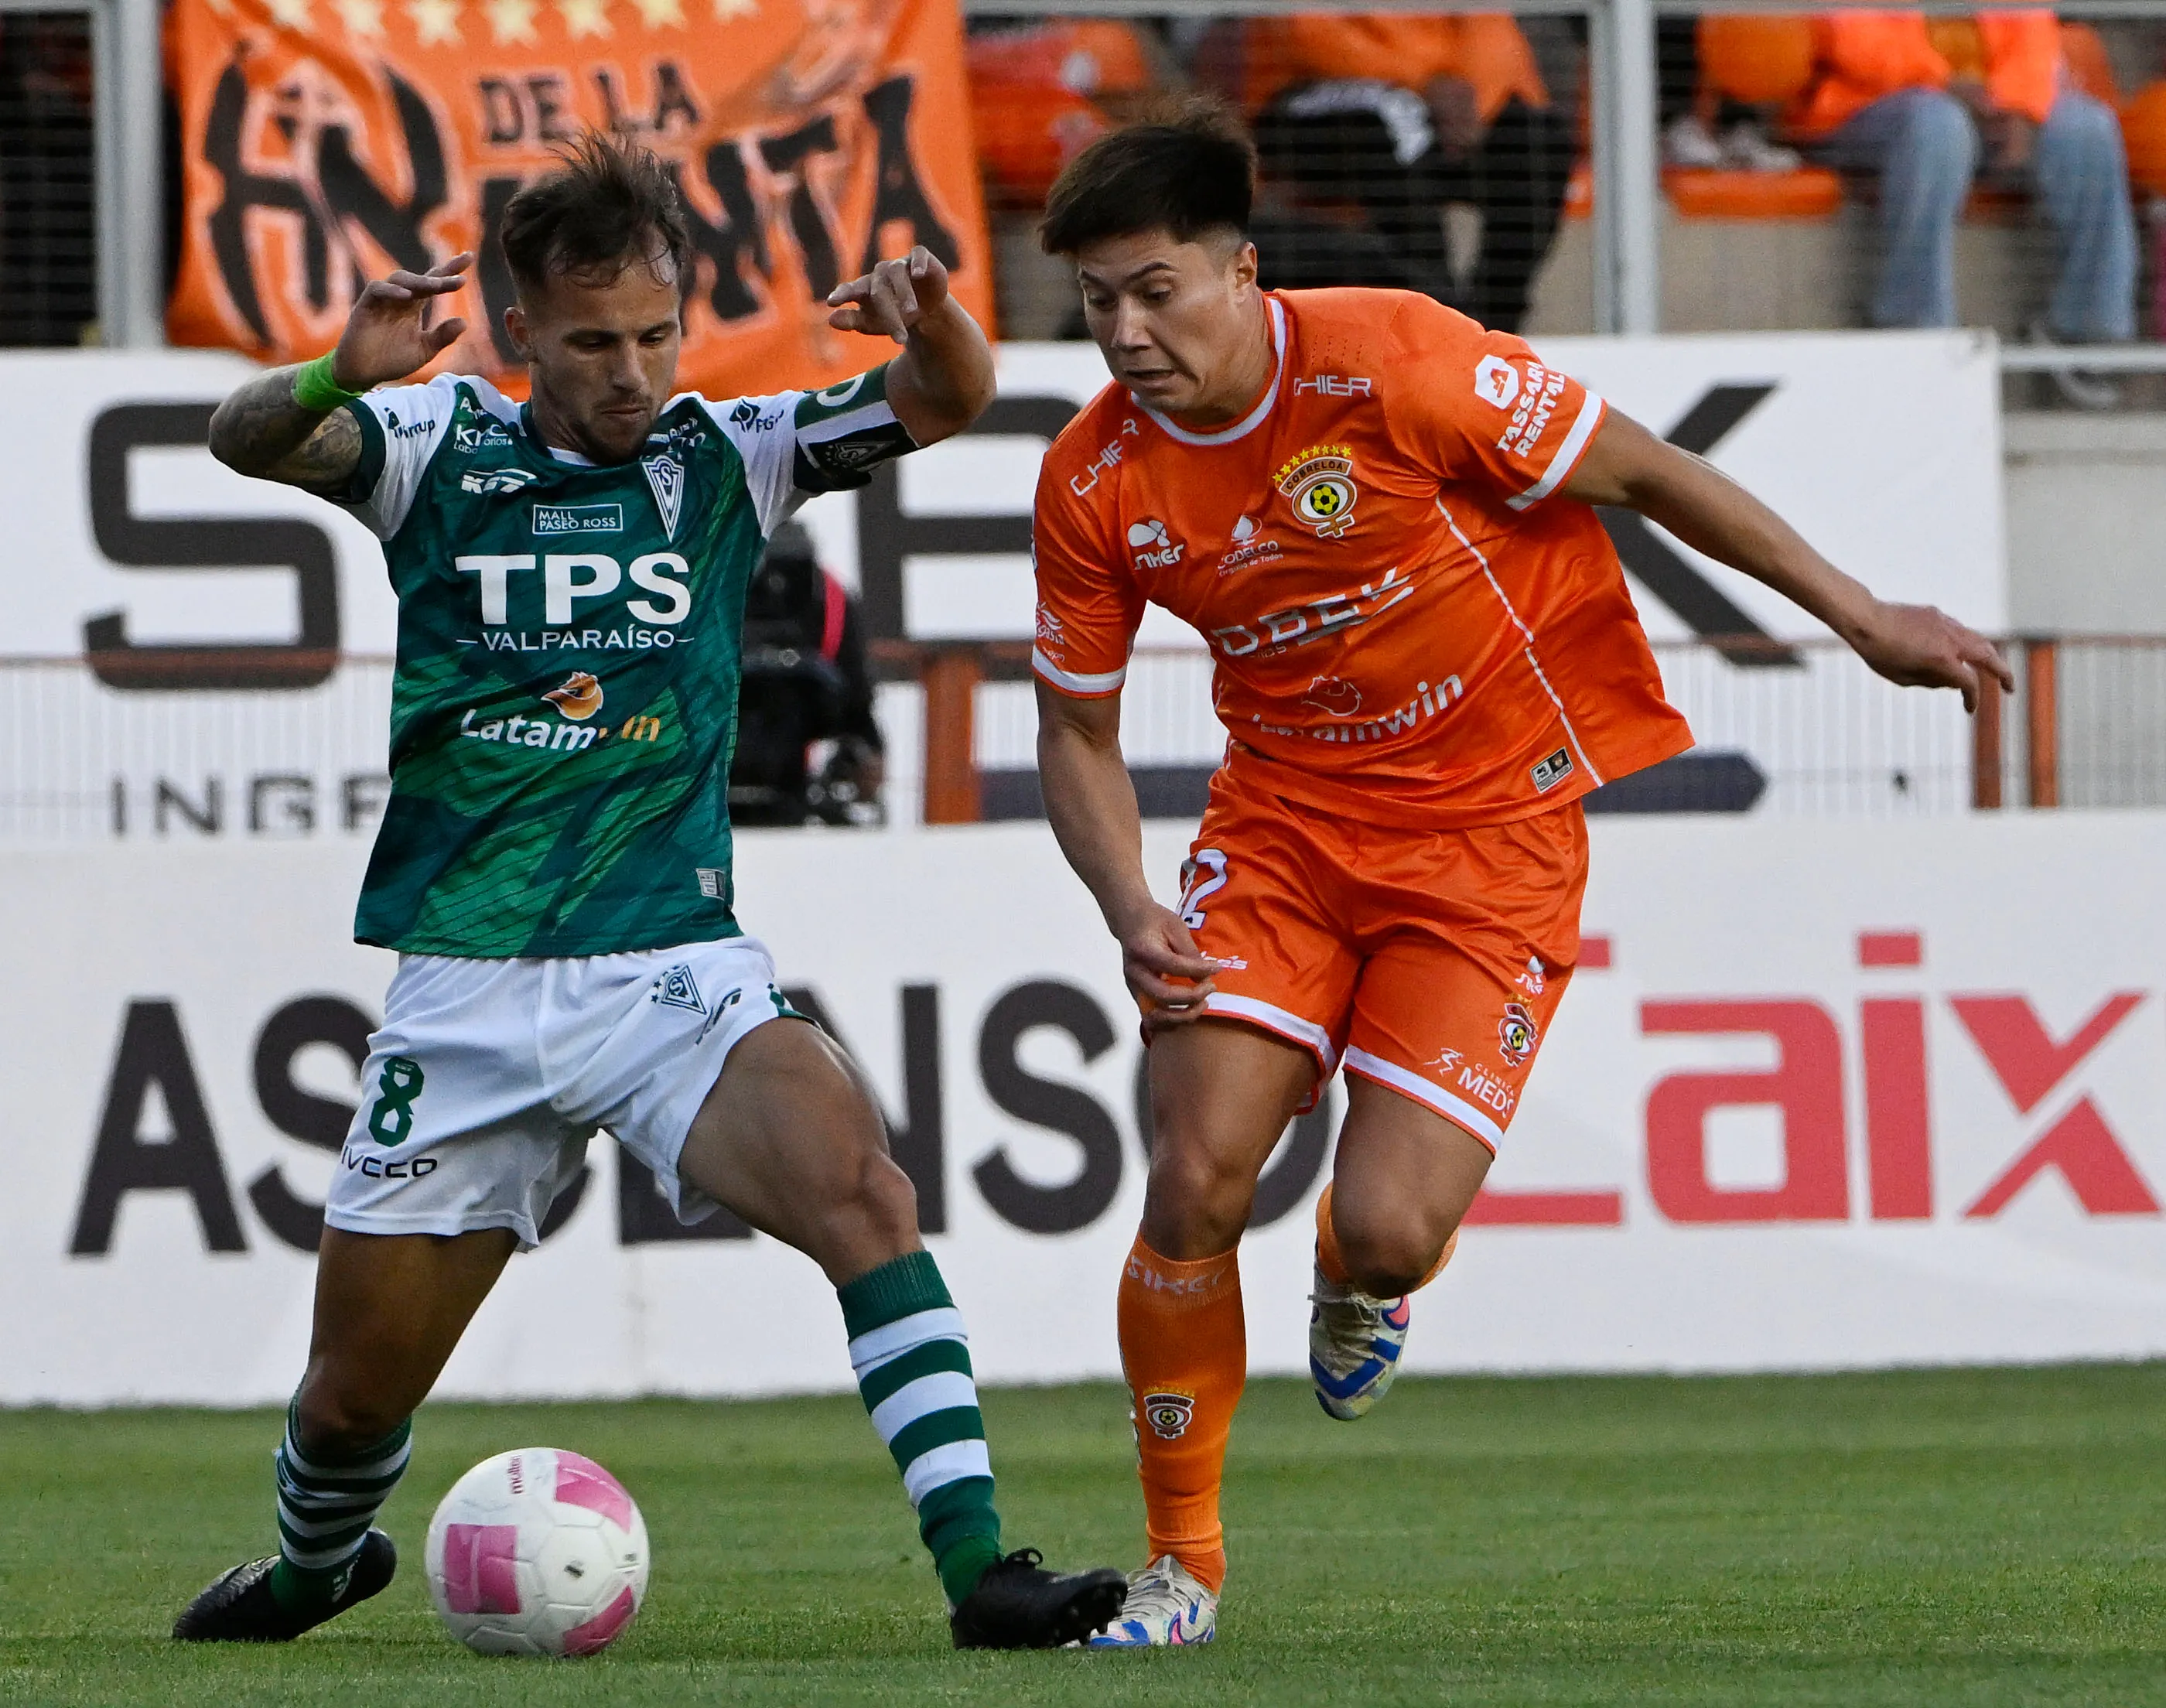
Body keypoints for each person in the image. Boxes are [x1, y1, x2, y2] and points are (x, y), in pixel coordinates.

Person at [1025, 103, 2010, 1648]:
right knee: (1197, 1174)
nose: (1127, 333)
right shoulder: (1093, 483)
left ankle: (1361, 1277)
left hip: (1489, 841)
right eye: (1098, 304)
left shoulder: (1399, 362)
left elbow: (1653, 474)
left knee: (1396, 1223)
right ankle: (1181, 1570)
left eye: (1156, 291)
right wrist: (1130, 907)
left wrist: (1860, 614)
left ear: (1242, 273)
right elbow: (1076, 733)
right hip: (1280, 833)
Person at [173, 132, 1126, 1650]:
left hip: (667, 968)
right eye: (594, 343)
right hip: (467, 981)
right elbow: (243, 442)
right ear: (520, 335)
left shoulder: (727, 458)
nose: (632, 373)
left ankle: (983, 1573)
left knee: (865, 1196)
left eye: (655, 336)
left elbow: (946, 400)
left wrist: (932, 316)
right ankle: (314, 1567)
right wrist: (329, 376)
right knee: (354, 1393)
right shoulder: (433, 455)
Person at [1792, 9, 2134, 390]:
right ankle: (1916, 331)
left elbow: (2034, 35)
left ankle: (2086, 330)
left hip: (1990, 109)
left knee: (2088, 129)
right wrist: (1945, 84)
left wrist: (2019, 107)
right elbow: (1852, 41)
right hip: (1871, 107)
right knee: (1939, 124)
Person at [1227, 12, 1570, 331]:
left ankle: (1493, 326)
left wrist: (1473, 100)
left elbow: (1490, 27)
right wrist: (1425, 82)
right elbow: (1310, 35)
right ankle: (1436, 319)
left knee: (1537, 139)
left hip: (1443, 99)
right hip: (1304, 95)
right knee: (1397, 115)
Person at [729, 521, 887, 828]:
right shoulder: (832, 597)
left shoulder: (833, 601)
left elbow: (856, 695)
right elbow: (857, 695)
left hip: (773, 770)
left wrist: (868, 750)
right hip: (785, 779)